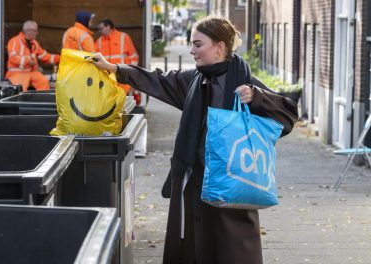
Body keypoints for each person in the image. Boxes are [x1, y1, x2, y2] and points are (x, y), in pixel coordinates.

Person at [93, 16, 298, 264]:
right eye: (191, 44)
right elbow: (157, 79)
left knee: (230, 249)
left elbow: (287, 117)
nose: (191, 50)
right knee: (192, 246)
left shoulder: (245, 84)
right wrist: (114, 69)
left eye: (198, 44)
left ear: (220, 47)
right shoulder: (194, 80)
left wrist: (257, 97)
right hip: (193, 184)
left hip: (232, 185)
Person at [5, 20, 59, 91]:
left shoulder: (34, 43)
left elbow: (44, 56)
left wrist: (61, 58)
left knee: (43, 81)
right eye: (36, 31)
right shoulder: (14, 41)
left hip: (31, 72)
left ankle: (42, 101)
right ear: (30, 31)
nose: (37, 33)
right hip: (17, 73)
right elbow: (13, 58)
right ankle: (21, 102)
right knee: (21, 88)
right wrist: (28, 61)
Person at [95, 19, 139, 93]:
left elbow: (133, 56)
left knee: (124, 102)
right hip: (107, 79)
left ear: (108, 27)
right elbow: (95, 58)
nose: (99, 31)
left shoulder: (124, 37)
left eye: (101, 28)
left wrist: (131, 73)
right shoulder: (99, 41)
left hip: (123, 78)